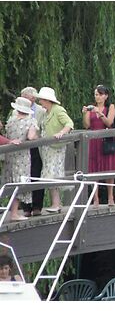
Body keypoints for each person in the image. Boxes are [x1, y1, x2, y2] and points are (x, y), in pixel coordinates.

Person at [36, 87, 74, 213]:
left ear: (47, 100)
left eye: (41, 99)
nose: (40, 101)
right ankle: (56, 203)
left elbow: (69, 123)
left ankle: (56, 203)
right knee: (49, 173)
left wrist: (61, 133)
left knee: (53, 174)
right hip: (47, 149)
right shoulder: (46, 112)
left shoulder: (58, 110)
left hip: (55, 148)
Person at [82, 85, 115, 206]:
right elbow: (87, 125)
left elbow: (109, 122)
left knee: (109, 168)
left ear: (106, 96)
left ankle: (110, 197)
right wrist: (86, 113)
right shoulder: (91, 108)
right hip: (93, 141)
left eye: (100, 94)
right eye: (96, 94)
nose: (97, 97)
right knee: (94, 169)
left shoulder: (110, 107)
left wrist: (100, 113)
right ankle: (95, 198)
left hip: (105, 139)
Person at [4, 97, 38, 221]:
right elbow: (30, 136)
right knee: (20, 181)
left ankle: (13, 212)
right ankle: (14, 213)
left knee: (12, 181)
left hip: (10, 155)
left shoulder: (11, 120)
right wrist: (35, 134)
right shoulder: (30, 121)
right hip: (22, 155)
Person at [20, 87, 47, 217]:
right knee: (24, 175)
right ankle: (25, 207)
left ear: (32, 98)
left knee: (36, 174)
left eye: (26, 97)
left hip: (37, 147)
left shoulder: (41, 111)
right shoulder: (17, 111)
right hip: (22, 148)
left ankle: (37, 206)